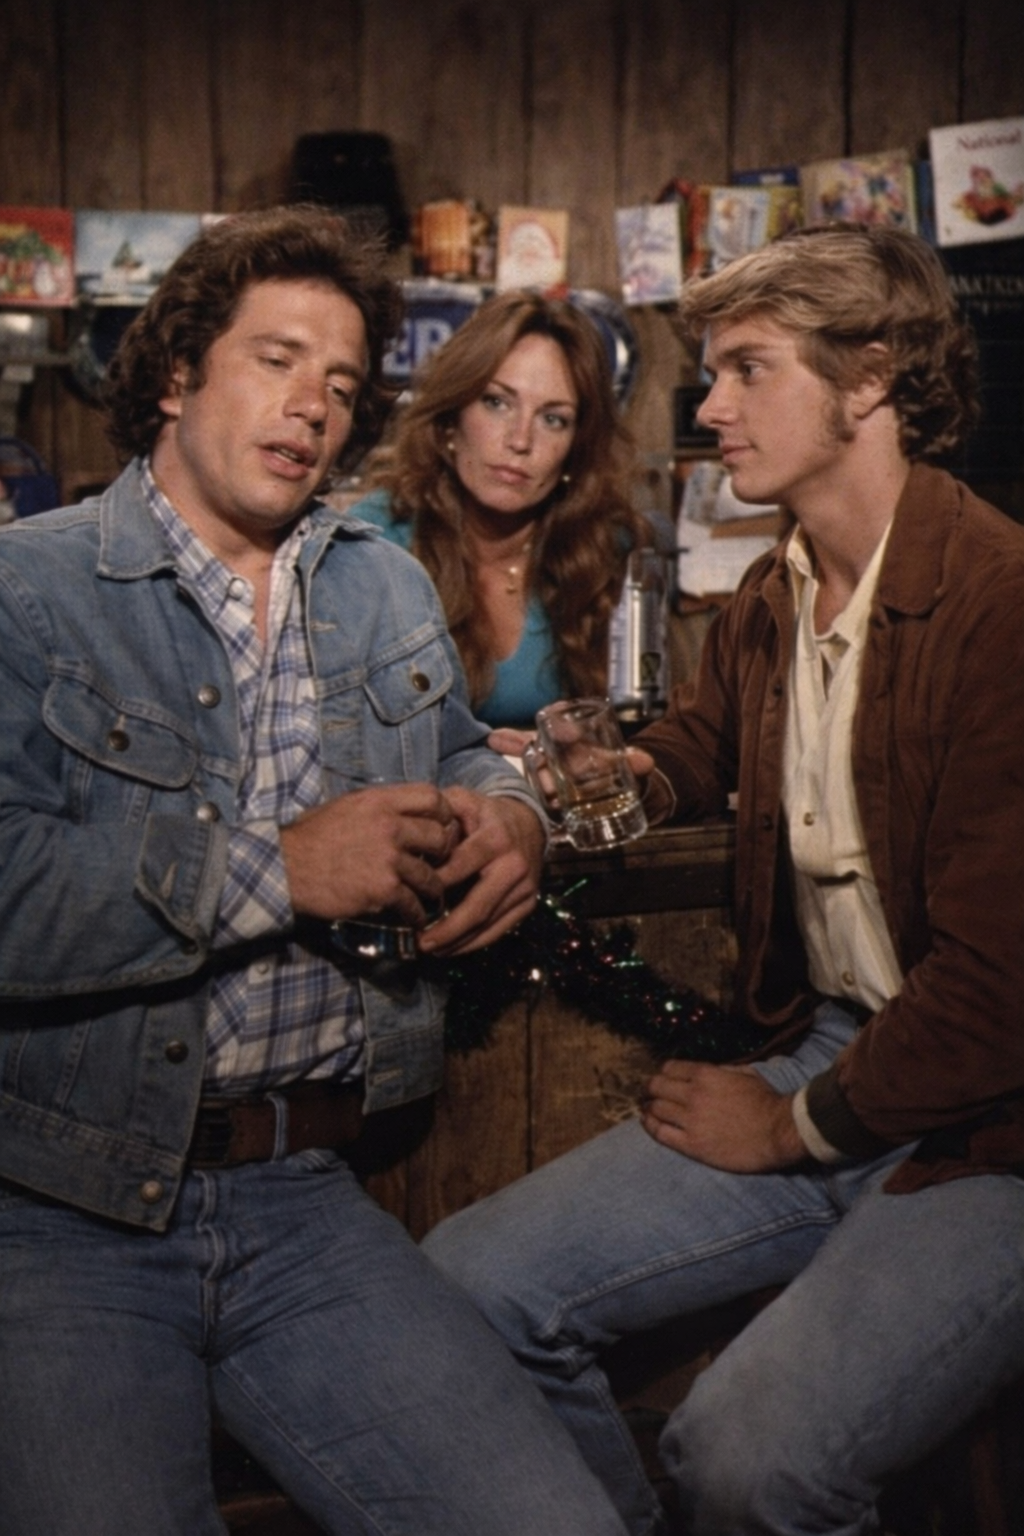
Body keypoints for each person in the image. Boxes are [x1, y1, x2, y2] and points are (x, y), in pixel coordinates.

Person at [0, 207, 629, 1536]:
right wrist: (278, 870)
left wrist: (514, 820)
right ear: (177, 374)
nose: (312, 408)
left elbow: (466, 758)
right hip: (60, 1205)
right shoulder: (28, 592)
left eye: (341, 385)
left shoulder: (378, 587)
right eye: (277, 360)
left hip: (303, 1200)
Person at [423, 222, 1024, 1535]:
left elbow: (998, 992)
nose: (710, 407)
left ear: (869, 377)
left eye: (748, 368)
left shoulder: (1001, 604)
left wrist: (787, 1128)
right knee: (467, 1287)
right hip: (837, 1050)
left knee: (744, 1461)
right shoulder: (772, 590)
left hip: (993, 1128)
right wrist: (633, 778)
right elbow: (707, 739)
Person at [349, 289, 654, 734]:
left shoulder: (608, 546)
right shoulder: (375, 541)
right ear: (452, 418)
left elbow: (641, 726)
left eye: (553, 419)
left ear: (576, 447)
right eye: (497, 402)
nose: (520, 440)